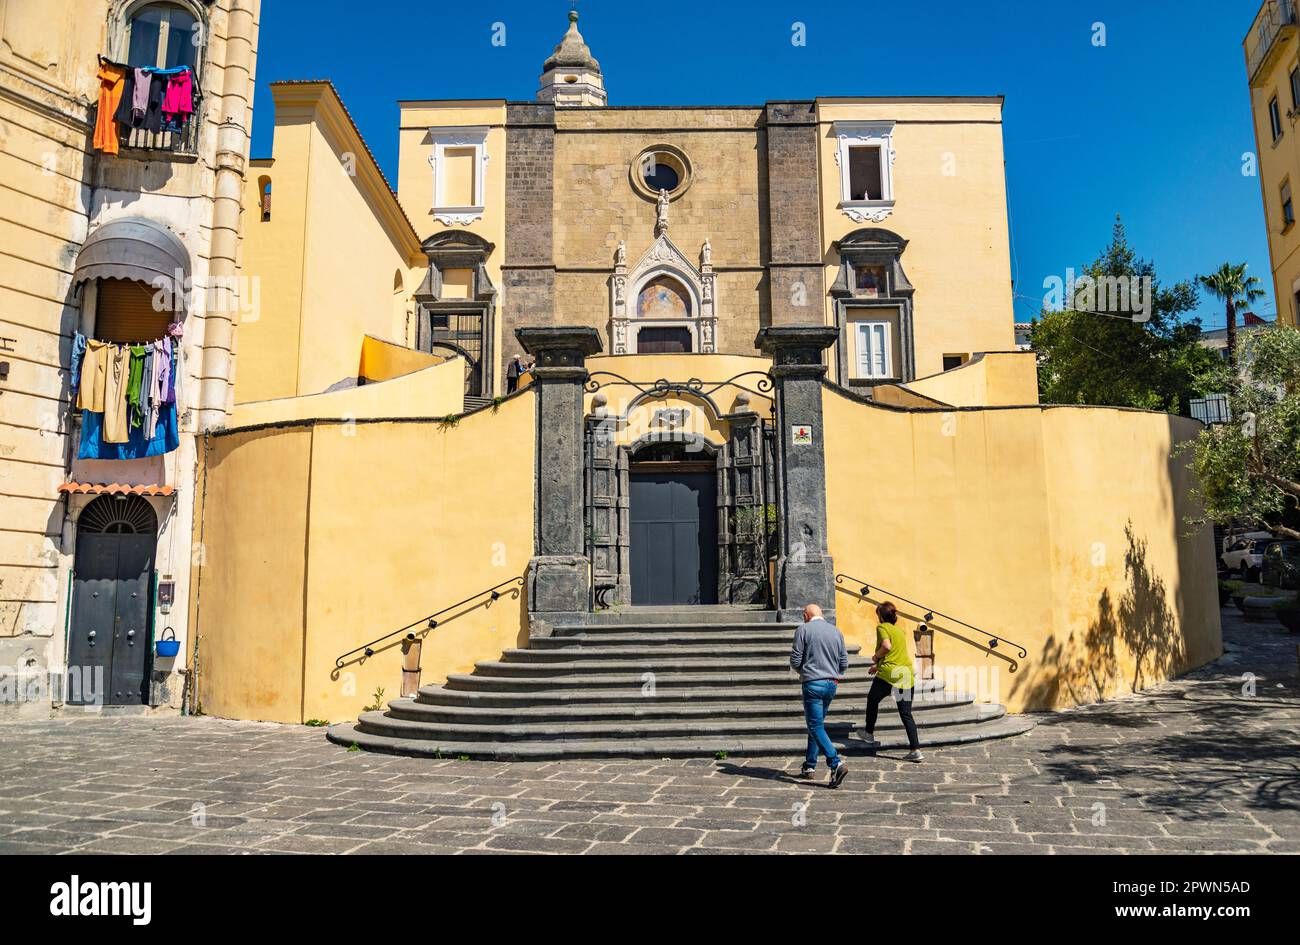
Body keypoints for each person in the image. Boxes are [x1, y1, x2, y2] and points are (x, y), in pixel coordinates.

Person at [789, 603, 849, 787]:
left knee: (814, 726)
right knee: (817, 725)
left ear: (806, 615)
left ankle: (835, 762)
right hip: (831, 683)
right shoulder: (836, 631)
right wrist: (834, 673)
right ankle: (810, 765)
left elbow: (795, 660)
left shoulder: (803, 630)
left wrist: (804, 672)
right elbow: (844, 662)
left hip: (813, 683)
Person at [863, 601, 923, 762]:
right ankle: (915, 749)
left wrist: (875, 657)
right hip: (905, 673)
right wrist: (877, 666)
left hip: (890, 674)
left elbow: (887, 647)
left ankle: (869, 733)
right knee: (906, 714)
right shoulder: (900, 631)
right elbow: (895, 654)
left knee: (872, 699)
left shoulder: (882, 627)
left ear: (881, 616)